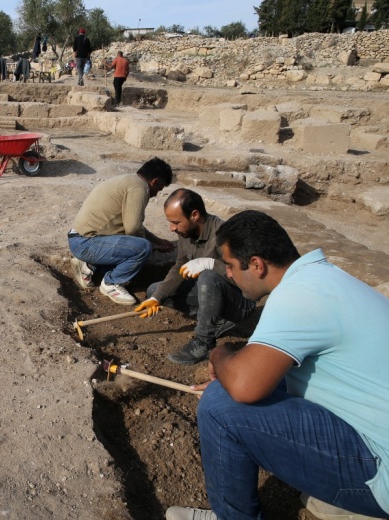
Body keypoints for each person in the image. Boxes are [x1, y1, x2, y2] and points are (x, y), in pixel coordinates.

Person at [166, 210, 389, 520]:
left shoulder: (295, 296)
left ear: (256, 265)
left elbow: (244, 387)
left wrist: (219, 353)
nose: (228, 274)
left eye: (230, 266)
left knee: (220, 406)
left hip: (383, 475)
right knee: (249, 383)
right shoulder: (323, 278)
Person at [134, 189, 256, 365]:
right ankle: (218, 320)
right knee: (156, 289)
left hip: (240, 302)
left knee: (208, 276)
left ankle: (204, 342)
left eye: (176, 222)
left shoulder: (225, 235)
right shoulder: (185, 233)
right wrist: (156, 297)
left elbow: (247, 277)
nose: (172, 228)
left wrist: (211, 264)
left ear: (195, 215)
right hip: (212, 295)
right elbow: (179, 267)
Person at [68, 158, 176, 305]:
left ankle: (88, 266)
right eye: (159, 188)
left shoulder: (129, 181)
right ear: (155, 181)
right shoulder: (139, 188)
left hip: (80, 239)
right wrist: (151, 246)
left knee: (138, 249)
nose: (156, 194)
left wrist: (157, 240)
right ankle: (111, 284)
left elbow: (133, 224)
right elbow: (133, 229)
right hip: (86, 243)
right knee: (143, 249)